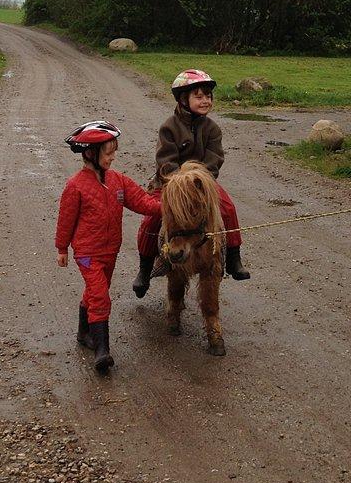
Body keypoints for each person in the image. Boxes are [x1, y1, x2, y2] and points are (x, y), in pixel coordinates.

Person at [56, 120, 162, 373]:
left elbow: (142, 202)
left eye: (114, 151)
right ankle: (102, 351)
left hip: (110, 251)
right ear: (91, 153)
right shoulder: (75, 186)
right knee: (100, 295)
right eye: (109, 152)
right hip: (86, 253)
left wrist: (168, 208)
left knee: (95, 292)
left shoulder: (118, 181)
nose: (113, 157)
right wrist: (62, 248)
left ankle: (84, 333)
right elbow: (65, 220)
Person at [132, 69, 250, 297]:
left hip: (202, 185)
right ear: (183, 99)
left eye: (208, 96)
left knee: (228, 208)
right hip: (170, 185)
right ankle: (144, 269)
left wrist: (201, 182)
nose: (205, 100)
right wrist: (179, 184)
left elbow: (214, 159)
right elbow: (165, 161)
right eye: (199, 96)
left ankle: (234, 258)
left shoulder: (212, 129)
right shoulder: (169, 127)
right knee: (152, 218)